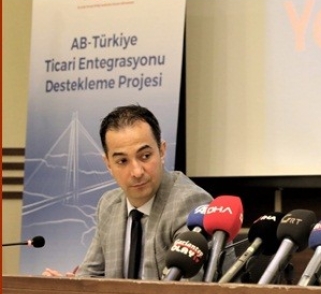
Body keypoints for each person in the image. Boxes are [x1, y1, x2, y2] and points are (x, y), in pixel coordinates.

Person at [43, 104, 213, 280]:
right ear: (108, 164)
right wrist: (68, 287)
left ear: (162, 151)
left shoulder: (190, 202)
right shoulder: (109, 205)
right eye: (122, 161)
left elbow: (185, 287)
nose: (137, 172)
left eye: (145, 156)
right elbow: (90, 275)